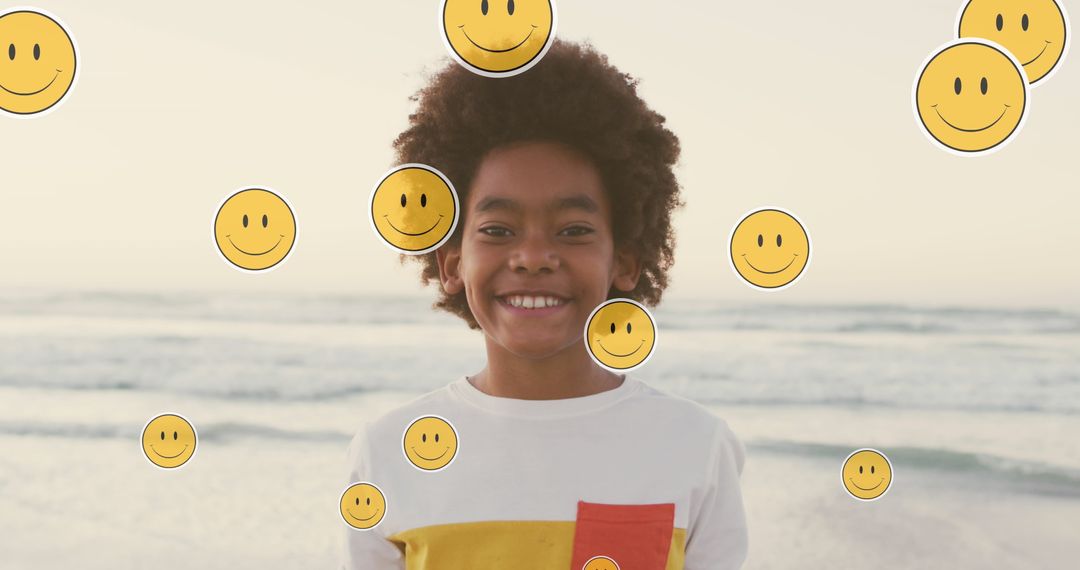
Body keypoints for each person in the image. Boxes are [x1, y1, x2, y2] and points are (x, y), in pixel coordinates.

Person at [342, 39, 747, 570]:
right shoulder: (386, 453)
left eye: (574, 230)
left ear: (623, 260)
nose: (533, 257)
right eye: (498, 229)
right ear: (451, 264)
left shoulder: (694, 445)